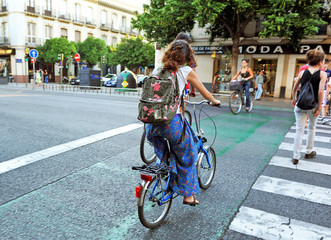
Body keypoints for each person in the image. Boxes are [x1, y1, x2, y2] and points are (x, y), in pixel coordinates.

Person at [146, 40, 220, 205]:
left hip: (150, 124)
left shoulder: (158, 69)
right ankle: (188, 196)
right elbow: (206, 93)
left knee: (164, 155)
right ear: (186, 58)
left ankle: (165, 174)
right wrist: (215, 101)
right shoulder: (186, 70)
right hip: (171, 123)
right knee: (189, 155)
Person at [291, 49, 327, 165]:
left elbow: (295, 87)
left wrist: (294, 98)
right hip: (313, 105)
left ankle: (296, 156)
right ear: (320, 62)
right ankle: (308, 151)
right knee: (311, 128)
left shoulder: (302, 72)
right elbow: (321, 92)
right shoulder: (322, 74)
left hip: (300, 104)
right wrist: (319, 107)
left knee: (299, 130)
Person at [175, 32, 197, 97]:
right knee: (182, 104)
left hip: (167, 84)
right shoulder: (189, 54)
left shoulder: (168, 52)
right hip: (181, 85)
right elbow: (192, 71)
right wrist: (193, 90)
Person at [321, 59, 331, 124]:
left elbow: (329, 82)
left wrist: (328, 92)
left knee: (324, 104)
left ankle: (323, 118)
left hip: (325, 89)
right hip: (318, 88)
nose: (324, 65)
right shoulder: (319, 70)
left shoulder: (329, 72)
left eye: (325, 63)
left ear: (327, 64)